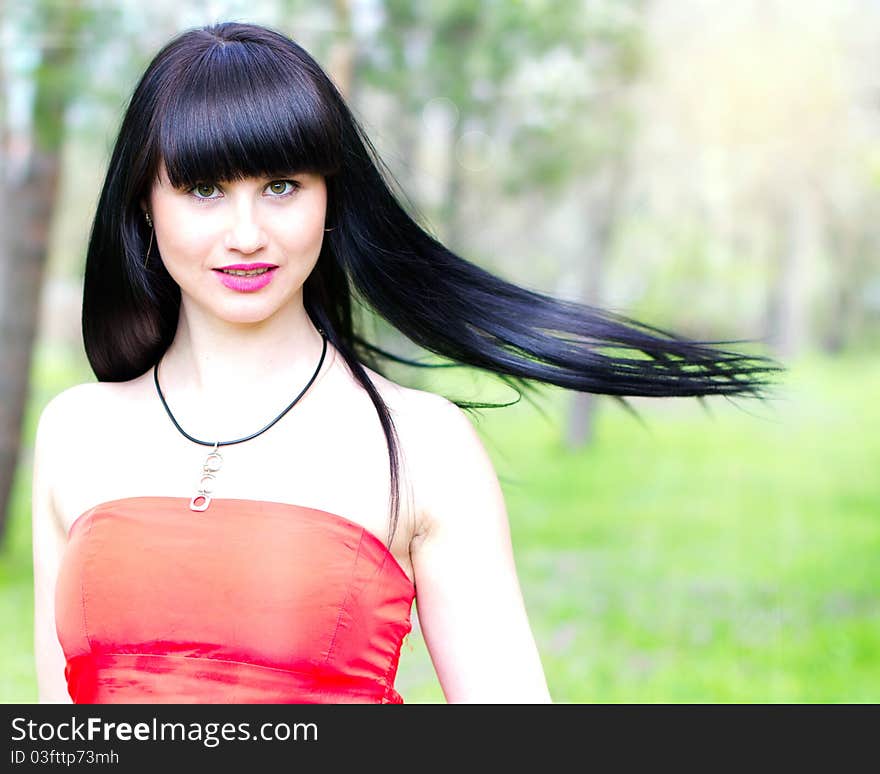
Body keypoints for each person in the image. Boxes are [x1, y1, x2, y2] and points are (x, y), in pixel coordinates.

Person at [31, 21, 781, 704]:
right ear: (143, 207)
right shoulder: (75, 432)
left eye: (282, 187)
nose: (247, 233)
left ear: (330, 200)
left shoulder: (425, 445)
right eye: (203, 190)